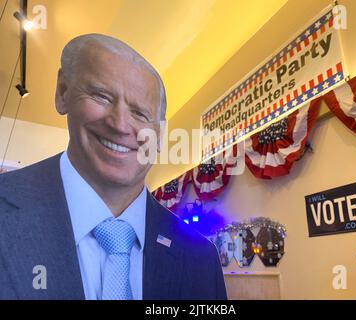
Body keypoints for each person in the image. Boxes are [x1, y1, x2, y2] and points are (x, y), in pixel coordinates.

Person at [0, 34, 227, 300]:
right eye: (102, 96)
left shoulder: (200, 257)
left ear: (160, 135)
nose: (119, 125)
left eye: (140, 113)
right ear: (63, 92)